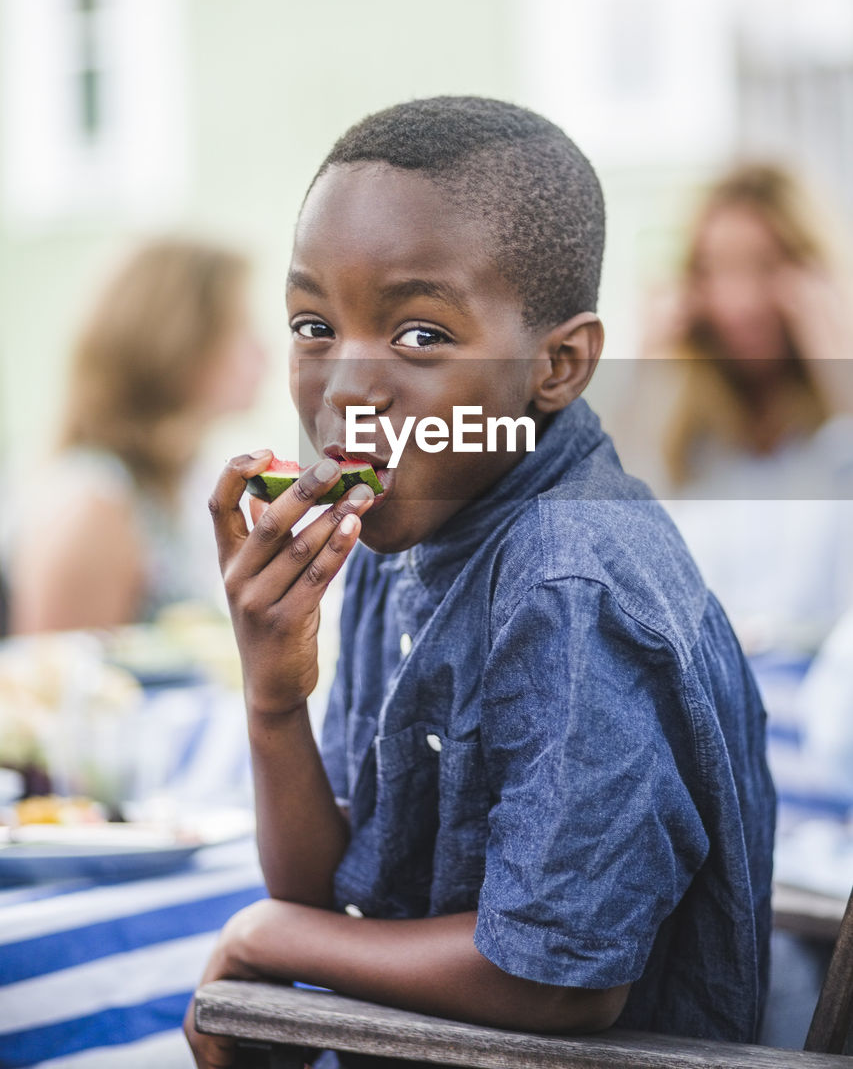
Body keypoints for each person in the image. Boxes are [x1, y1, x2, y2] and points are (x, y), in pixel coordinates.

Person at [185, 98, 775, 1068]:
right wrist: (273, 696)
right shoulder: (407, 519)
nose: (345, 390)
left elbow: (557, 977)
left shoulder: (567, 579)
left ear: (559, 363)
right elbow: (335, 886)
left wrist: (268, 938)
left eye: (420, 335)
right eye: (313, 323)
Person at [632, 162, 853, 653]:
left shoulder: (832, 438)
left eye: (764, 266)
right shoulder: (689, 442)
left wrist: (838, 366)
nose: (740, 300)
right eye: (717, 270)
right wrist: (647, 373)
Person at [9, 236, 267, 633]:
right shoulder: (94, 505)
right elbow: (61, 686)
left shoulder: (182, 483)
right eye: (239, 328)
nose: (263, 351)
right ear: (179, 344)